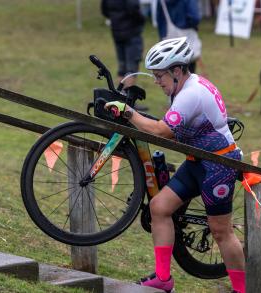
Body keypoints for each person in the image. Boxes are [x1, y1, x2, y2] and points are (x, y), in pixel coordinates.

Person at [104, 37, 245, 293]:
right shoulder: (183, 87)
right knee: (159, 208)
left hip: (219, 165)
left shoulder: (191, 94)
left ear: (177, 70)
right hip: (197, 161)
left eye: (160, 76)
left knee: (220, 230)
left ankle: (241, 290)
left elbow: (161, 131)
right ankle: (163, 278)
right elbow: (164, 124)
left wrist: (128, 112)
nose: (157, 82)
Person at [100, 0, 147, 93]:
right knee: (132, 68)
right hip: (132, 32)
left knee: (122, 67)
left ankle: (119, 96)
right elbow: (133, 8)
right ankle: (128, 100)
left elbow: (104, 10)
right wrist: (142, 19)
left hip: (116, 31)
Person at [156, 0, 201, 74]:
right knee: (189, 74)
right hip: (187, 37)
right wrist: (191, 26)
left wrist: (162, 37)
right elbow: (195, 17)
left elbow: (160, 19)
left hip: (168, 40)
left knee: (172, 74)